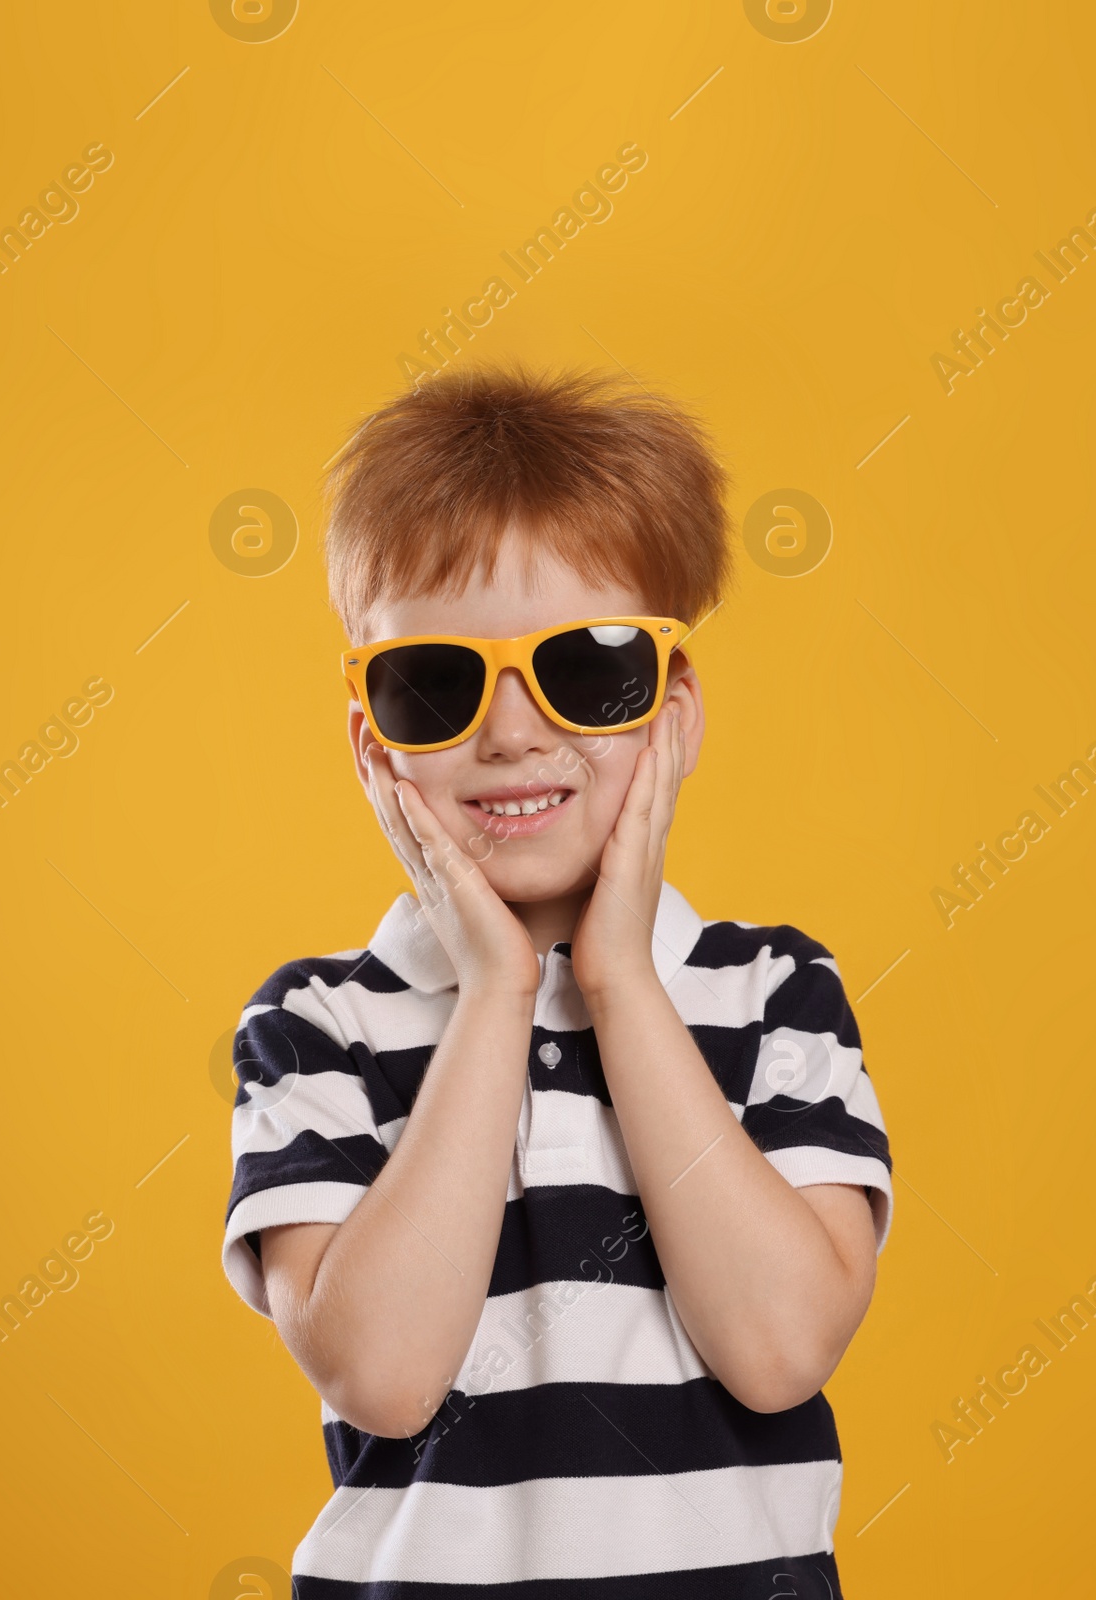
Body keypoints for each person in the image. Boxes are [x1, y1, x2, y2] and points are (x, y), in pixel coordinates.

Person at [220, 363, 895, 1597]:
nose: (514, 732)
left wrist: (623, 982)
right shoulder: (317, 1025)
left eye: (587, 669)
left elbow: (780, 1348)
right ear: (373, 741)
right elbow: (381, 1373)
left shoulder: (771, 991)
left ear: (673, 710)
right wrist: (491, 992)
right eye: (437, 683)